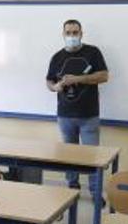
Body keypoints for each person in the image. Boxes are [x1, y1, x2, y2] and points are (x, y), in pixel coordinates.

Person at [46, 19, 109, 189]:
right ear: (63, 34)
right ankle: (72, 187)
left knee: (92, 157)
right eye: (68, 33)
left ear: (81, 34)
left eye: (75, 33)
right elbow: (49, 82)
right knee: (69, 156)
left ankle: (95, 191)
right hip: (65, 115)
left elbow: (104, 76)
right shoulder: (57, 57)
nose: (72, 36)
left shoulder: (93, 52)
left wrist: (78, 79)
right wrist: (55, 86)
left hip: (89, 115)